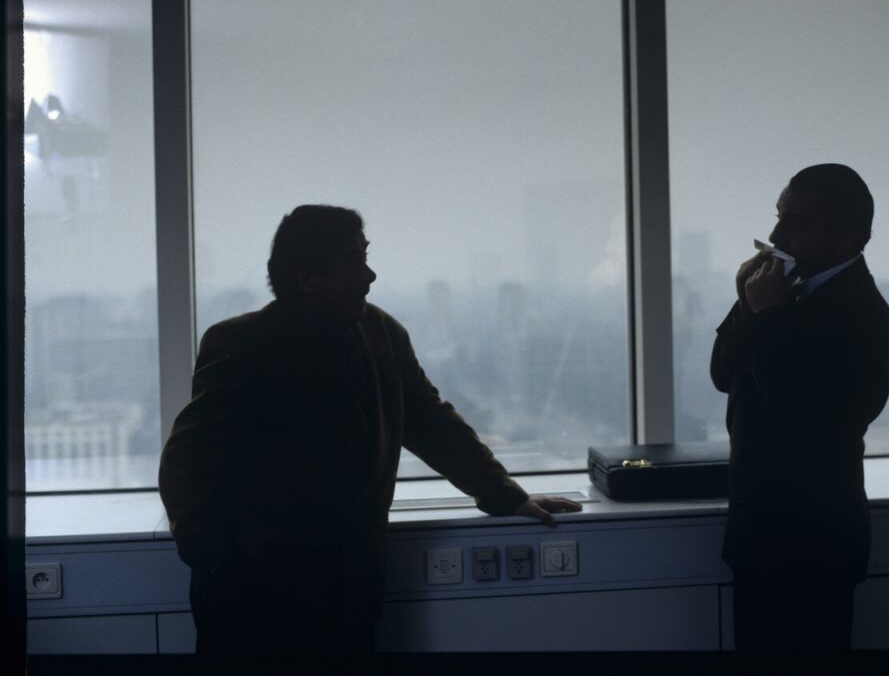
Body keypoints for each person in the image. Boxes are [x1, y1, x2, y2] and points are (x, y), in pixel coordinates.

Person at [158, 205, 581, 663]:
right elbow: (187, 466)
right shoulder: (242, 345)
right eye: (353, 261)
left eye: (366, 255)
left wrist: (506, 496)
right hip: (253, 606)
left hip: (347, 600)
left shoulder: (382, 334)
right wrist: (219, 561)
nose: (370, 274)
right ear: (308, 279)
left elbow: (430, 421)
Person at [709, 164, 889, 652]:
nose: (774, 235)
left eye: (795, 223)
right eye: (778, 217)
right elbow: (722, 377)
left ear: (847, 238)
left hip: (813, 548)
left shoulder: (863, 314)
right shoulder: (782, 291)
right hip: (759, 539)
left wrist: (768, 318)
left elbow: (805, 417)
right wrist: (747, 307)